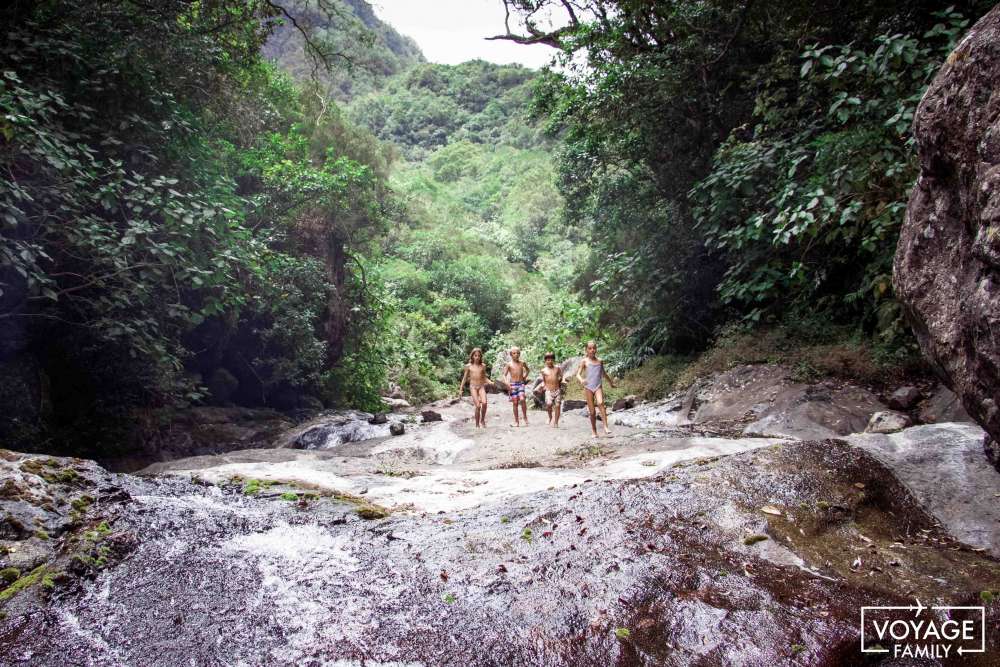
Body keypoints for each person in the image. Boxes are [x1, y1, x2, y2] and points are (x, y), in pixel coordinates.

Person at [575, 340, 616, 437]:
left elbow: (604, 373)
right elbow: (578, 374)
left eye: (594, 348)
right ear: (586, 350)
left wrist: (611, 383)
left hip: (598, 386)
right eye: (590, 348)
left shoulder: (600, 361)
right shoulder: (584, 361)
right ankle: (594, 431)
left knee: (601, 403)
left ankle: (606, 426)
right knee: (592, 411)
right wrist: (581, 380)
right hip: (588, 387)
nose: (592, 350)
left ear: (596, 349)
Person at [458, 347, 494, 428]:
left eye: (478, 356)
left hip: (481, 386)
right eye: (475, 355)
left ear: (481, 357)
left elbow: (484, 378)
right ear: (472, 356)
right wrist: (461, 389)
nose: (477, 357)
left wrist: (491, 382)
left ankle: (482, 420)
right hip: (473, 387)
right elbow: (464, 378)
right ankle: (477, 425)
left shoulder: (483, 366)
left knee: (484, 403)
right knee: (478, 406)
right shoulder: (468, 366)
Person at [503, 347, 530, 427]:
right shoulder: (509, 364)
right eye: (514, 353)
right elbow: (504, 375)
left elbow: (528, 370)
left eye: (518, 353)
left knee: (522, 399)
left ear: (520, 354)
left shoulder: (522, 363)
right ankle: (516, 421)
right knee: (515, 403)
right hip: (513, 385)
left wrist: (525, 377)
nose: (516, 355)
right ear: (511, 355)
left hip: (521, 383)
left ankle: (525, 417)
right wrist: (507, 383)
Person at [537, 352, 565, 427]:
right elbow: (543, 380)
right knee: (549, 404)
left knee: (558, 405)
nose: (550, 361)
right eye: (548, 360)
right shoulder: (543, 370)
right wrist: (542, 386)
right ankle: (550, 417)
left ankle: (556, 422)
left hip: (557, 390)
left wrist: (561, 380)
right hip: (548, 390)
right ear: (545, 361)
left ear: (554, 360)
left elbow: (561, 376)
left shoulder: (557, 368)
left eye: (551, 359)